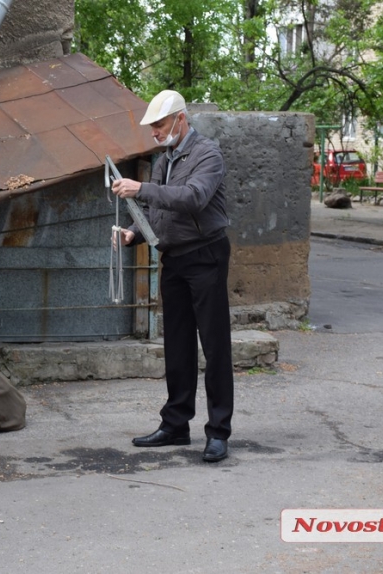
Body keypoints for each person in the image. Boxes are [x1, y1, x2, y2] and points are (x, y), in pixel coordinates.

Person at [111, 90, 233, 462]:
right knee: (177, 344)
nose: (155, 132)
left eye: (160, 125)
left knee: (214, 346)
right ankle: (176, 425)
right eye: (152, 127)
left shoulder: (207, 154)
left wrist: (141, 187)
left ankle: (218, 432)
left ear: (180, 119)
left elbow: (192, 197)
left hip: (206, 255)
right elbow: (158, 206)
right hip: (175, 259)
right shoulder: (166, 158)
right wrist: (133, 231)